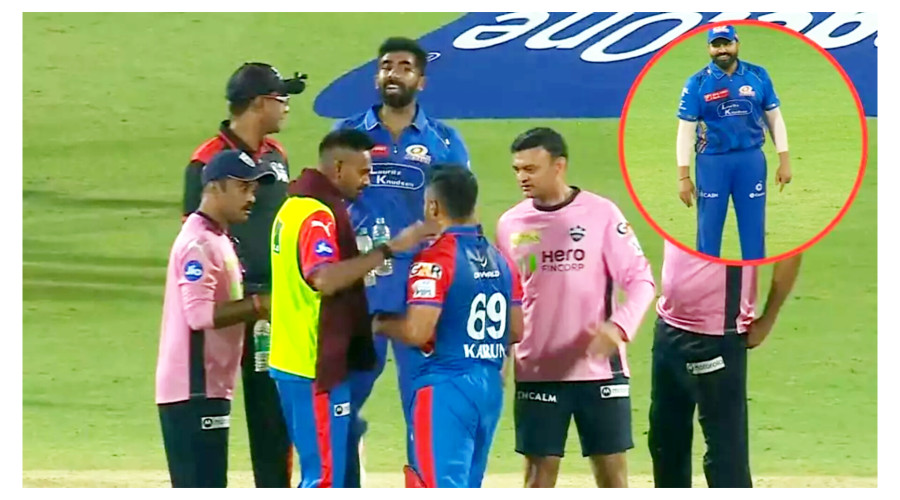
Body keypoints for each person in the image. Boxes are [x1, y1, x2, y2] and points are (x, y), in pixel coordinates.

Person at [332, 36, 470, 486]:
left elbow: (459, 213)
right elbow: (326, 206)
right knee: (339, 401)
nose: (393, 73)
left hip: (422, 293)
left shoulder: (444, 141)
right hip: (360, 290)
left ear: (421, 81)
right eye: (386, 66)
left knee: (424, 405)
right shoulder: (347, 134)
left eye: (405, 67)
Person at [268, 128, 437, 488]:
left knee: (321, 472)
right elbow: (325, 278)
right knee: (324, 479)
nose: (367, 181)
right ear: (338, 168)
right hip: (313, 365)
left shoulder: (292, 206)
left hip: (292, 360)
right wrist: (389, 249)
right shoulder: (317, 216)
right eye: (362, 172)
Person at [495, 127, 656, 488]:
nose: (522, 177)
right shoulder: (509, 224)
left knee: (612, 477)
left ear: (559, 166)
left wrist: (619, 327)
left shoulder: (601, 214)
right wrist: (501, 358)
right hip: (538, 369)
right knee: (538, 478)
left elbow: (641, 280)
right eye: (517, 169)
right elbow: (507, 299)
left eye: (531, 169)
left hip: (599, 370)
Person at [180, 62, 307, 487]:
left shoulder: (277, 155)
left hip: (269, 307)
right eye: (280, 98)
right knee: (209, 407)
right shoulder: (205, 160)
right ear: (257, 103)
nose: (286, 107)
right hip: (226, 306)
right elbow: (195, 234)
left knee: (272, 417)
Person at [375, 164, 524, 488]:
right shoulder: (502, 260)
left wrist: (380, 323)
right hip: (488, 388)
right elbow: (516, 331)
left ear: (433, 207)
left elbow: (417, 332)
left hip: (445, 388)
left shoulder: (435, 259)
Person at [156, 150, 276, 487]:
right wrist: (260, 305)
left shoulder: (217, 237)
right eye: (243, 188)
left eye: (254, 189)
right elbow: (199, 315)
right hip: (193, 391)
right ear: (214, 188)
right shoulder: (198, 243)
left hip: (208, 388)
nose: (252, 198)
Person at [648, 242, 802, 488]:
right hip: (668, 327)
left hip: (719, 335)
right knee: (665, 444)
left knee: (725, 457)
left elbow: (791, 248)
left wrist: (768, 319)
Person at [676, 25, 793, 260]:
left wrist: (785, 161)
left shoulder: (758, 75)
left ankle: (752, 282)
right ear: (708, 48)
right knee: (709, 232)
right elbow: (685, 131)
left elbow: (774, 118)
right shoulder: (697, 83)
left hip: (750, 160)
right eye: (716, 45)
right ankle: (707, 282)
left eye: (726, 44)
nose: (722, 50)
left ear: (737, 44)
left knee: (754, 231)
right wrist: (683, 177)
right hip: (712, 162)